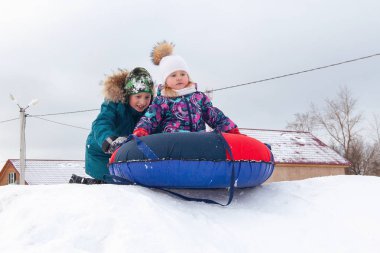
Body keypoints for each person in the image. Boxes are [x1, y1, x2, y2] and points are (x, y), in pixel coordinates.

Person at [132, 41, 240, 137]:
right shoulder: (162, 100)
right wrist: (142, 129)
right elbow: (151, 117)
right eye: (173, 75)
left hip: (198, 140)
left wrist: (229, 128)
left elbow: (213, 114)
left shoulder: (198, 97)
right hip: (174, 142)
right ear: (165, 80)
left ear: (188, 76)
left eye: (182, 74)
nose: (179, 78)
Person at [84, 67, 154, 181]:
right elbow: (101, 122)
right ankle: (95, 184)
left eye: (147, 97)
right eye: (138, 96)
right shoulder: (114, 104)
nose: (143, 102)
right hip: (102, 153)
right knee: (117, 181)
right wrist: (109, 141)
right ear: (128, 95)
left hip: (124, 154)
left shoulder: (151, 111)